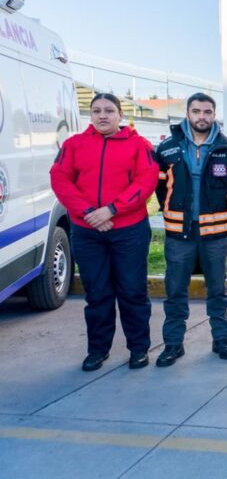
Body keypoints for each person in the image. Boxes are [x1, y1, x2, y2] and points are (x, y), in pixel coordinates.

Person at [50, 93, 159, 371]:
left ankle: (138, 349)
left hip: (129, 231)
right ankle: (98, 350)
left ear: (120, 115)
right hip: (87, 232)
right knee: (97, 293)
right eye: (97, 110)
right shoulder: (74, 145)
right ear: (90, 115)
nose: (102, 115)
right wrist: (89, 213)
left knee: (132, 292)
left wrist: (111, 210)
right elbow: (60, 179)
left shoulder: (138, 145)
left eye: (109, 110)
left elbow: (145, 181)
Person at [154, 93, 227, 366]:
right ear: (188, 113)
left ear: (213, 114)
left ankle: (221, 340)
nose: (202, 117)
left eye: (207, 112)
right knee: (175, 291)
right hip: (179, 234)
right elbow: (160, 188)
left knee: (218, 290)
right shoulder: (168, 147)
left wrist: (223, 215)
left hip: (214, 235)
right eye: (197, 111)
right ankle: (173, 345)